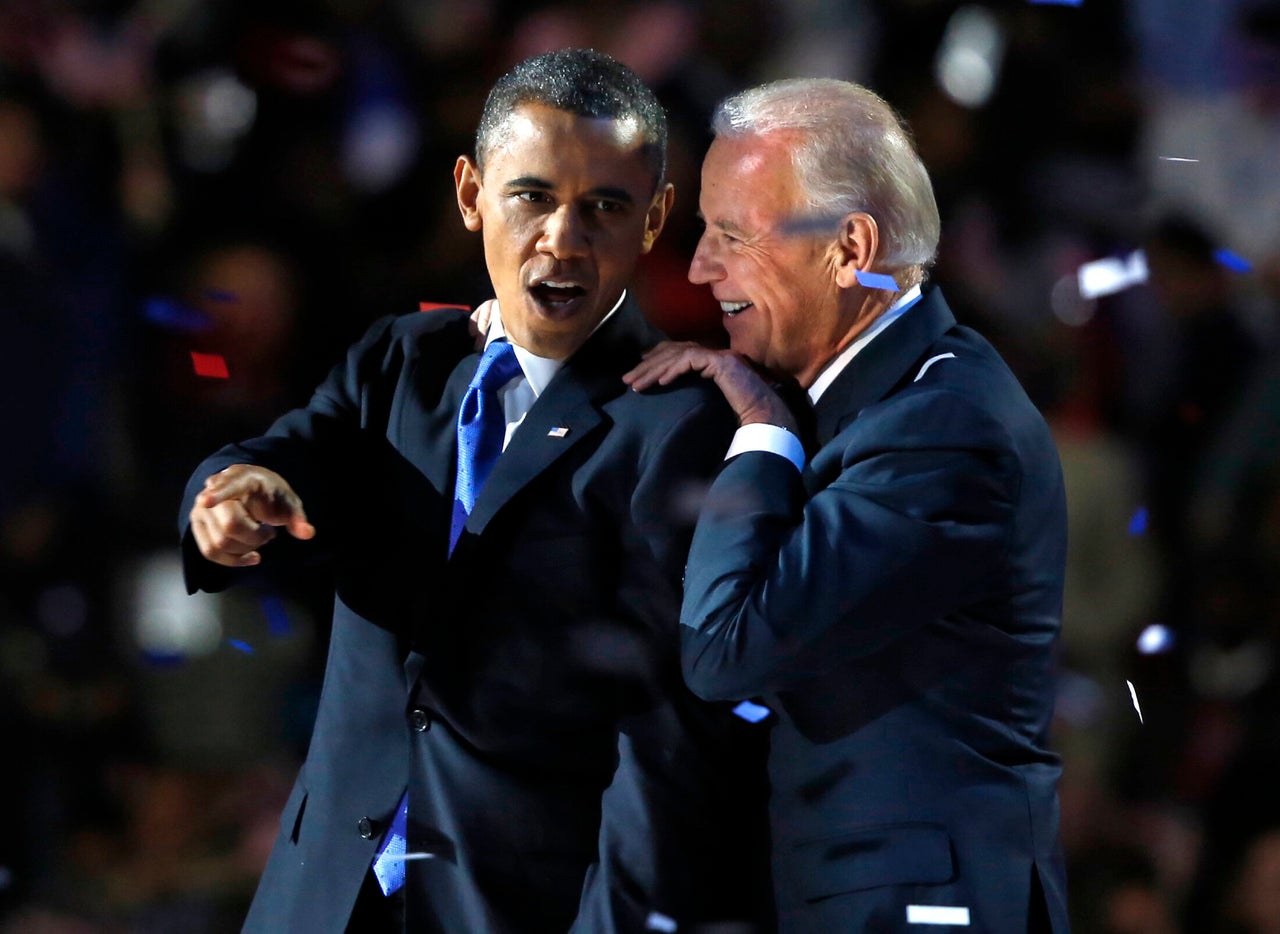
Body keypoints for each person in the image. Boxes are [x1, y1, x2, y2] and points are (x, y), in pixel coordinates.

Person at [181, 49, 771, 933]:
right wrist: (229, 492)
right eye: (532, 195)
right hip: (323, 898)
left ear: (654, 222)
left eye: (604, 207)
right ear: (471, 195)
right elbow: (290, 452)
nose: (562, 239)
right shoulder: (399, 362)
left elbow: (664, 736)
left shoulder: (679, 425)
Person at [626, 78, 1071, 932]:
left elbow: (725, 647)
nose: (698, 268)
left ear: (848, 246)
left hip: (925, 909)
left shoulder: (940, 425)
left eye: (731, 235)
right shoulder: (888, 398)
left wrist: (761, 430)